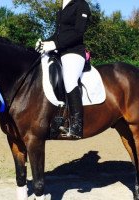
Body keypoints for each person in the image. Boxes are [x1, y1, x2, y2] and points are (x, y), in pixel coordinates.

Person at [36, 0, 91, 139]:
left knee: (70, 79)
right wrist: (44, 43)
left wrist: (55, 43)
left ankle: (76, 126)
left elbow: (78, 32)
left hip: (74, 52)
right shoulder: (62, 8)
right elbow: (57, 34)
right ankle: (56, 119)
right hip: (60, 52)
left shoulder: (81, 5)